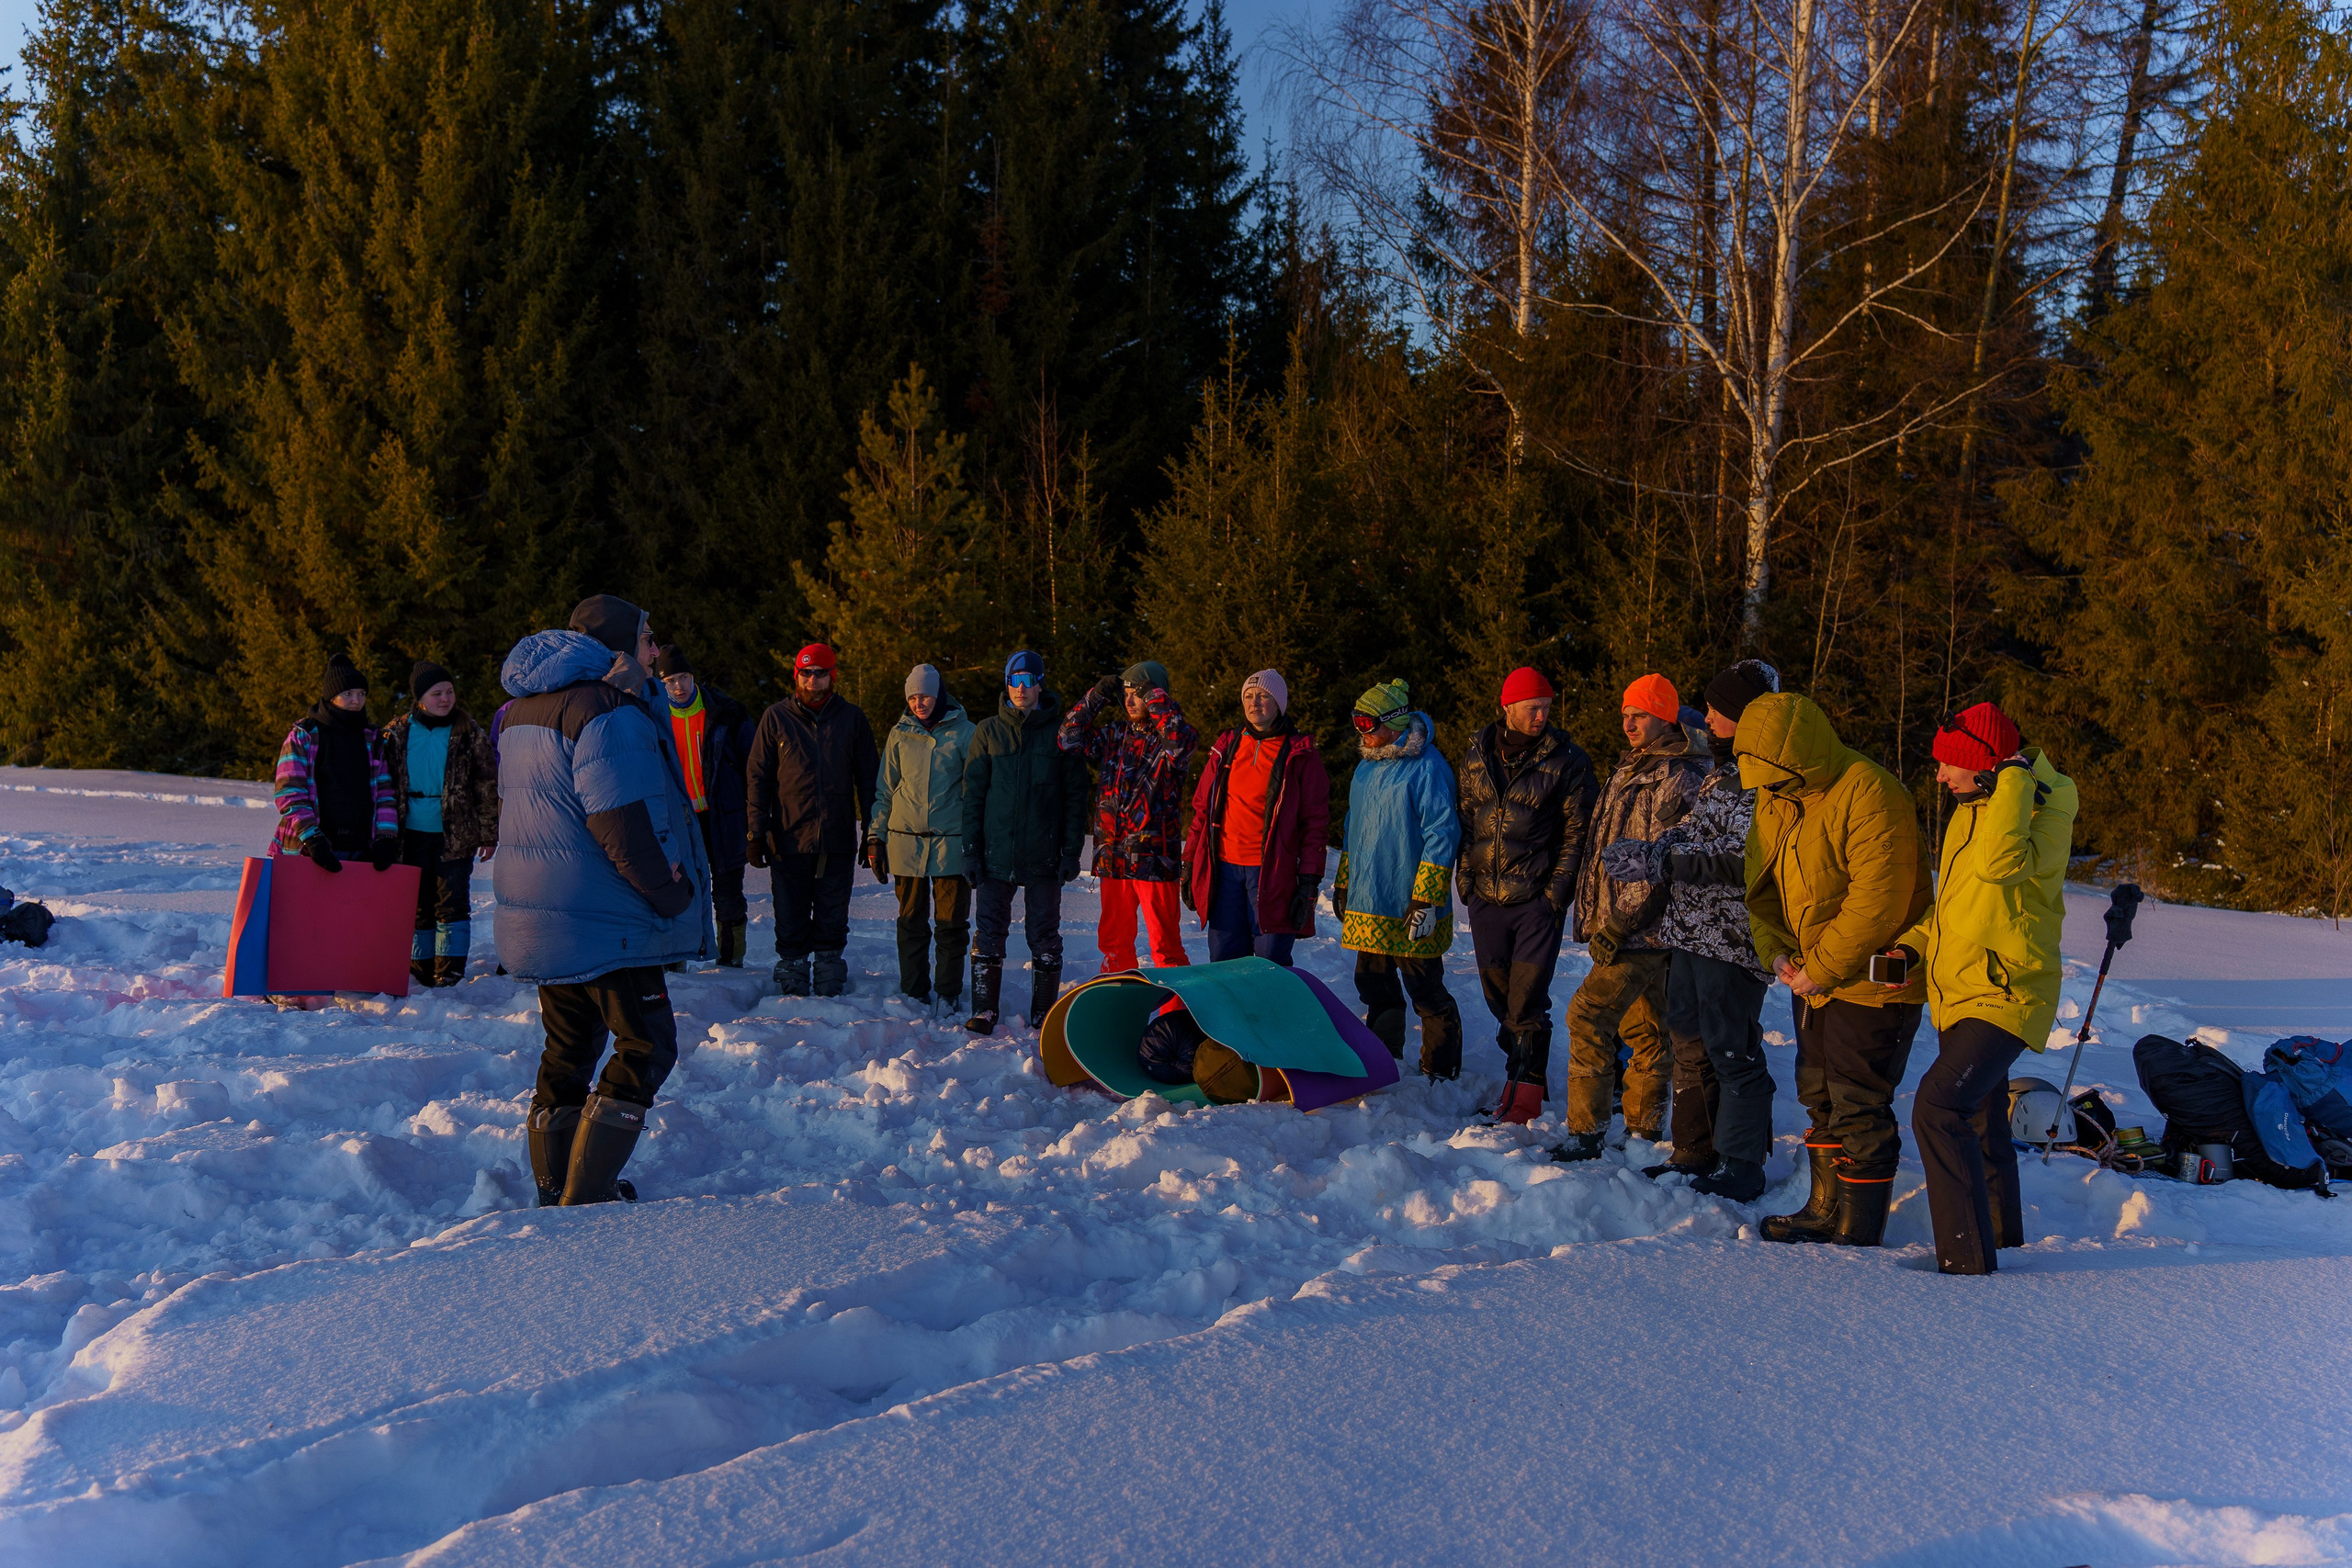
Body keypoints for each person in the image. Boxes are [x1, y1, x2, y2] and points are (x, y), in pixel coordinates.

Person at [494, 624, 712, 1207]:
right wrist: (668, 893)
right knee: (646, 1044)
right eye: (645, 636)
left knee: (568, 1047)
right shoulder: (602, 708)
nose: (654, 648)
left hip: (545, 909)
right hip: (607, 915)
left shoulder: (522, 709)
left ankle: (556, 1185)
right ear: (617, 643)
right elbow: (619, 817)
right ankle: (585, 1194)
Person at [1889, 702, 2077, 1274]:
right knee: (1979, 1121)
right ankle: (2001, 1246)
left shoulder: (2042, 810)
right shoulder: (1973, 807)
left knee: (1939, 1107)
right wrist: (1913, 946)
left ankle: (1966, 1261)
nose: (1940, 776)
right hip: (1962, 991)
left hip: (2007, 990)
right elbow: (1958, 904)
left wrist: (2015, 776)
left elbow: (1999, 865)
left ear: (1986, 766)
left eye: (1949, 764)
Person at [1739, 690, 1930, 1247]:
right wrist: (1775, 951)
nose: (1766, 787)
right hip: (1813, 976)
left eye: (1772, 774)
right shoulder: (1776, 796)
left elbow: (1880, 899)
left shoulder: (1871, 791)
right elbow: (1761, 882)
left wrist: (1822, 967)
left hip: (1873, 980)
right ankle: (1825, 1208)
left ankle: (1858, 1231)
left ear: (1796, 758)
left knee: (1858, 1100)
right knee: (1818, 1094)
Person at [1600, 660, 1779, 1198]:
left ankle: (1741, 1164)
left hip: (1734, 938)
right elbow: (1693, 832)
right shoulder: (1723, 776)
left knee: (1732, 1050)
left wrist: (1665, 864)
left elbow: (1740, 860)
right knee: (1690, 1046)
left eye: (1722, 711)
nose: (1711, 718)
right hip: (1689, 933)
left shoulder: (1767, 781)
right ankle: (1695, 1152)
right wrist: (1652, 849)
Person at [1553, 674, 1709, 1160]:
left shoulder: (1677, 775)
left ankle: (1587, 1131)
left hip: (1644, 929)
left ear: (1664, 716)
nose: (1628, 723)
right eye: (1624, 714)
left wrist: (1621, 923)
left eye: (1638, 714)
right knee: (1645, 1029)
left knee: (1588, 1017)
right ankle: (1642, 1129)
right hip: (1634, 925)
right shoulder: (1637, 766)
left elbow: (1664, 860)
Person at [1454, 667, 1598, 1125]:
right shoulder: (1477, 754)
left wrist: (1555, 894)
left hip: (1536, 902)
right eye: (1532, 707)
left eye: (1546, 707)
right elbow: (1464, 820)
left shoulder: (1567, 759)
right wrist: (1466, 880)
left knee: (1527, 1001)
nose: (1541, 715)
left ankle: (1525, 1098)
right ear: (1508, 708)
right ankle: (1518, 1083)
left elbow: (1579, 833)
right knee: (1501, 1001)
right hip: (1486, 901)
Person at [1334, 679, 1464, 1076]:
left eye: (1367, 723)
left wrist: (1426, 897)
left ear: (1394, 722)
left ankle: (1440, 1070)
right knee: (1374, 984)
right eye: (1356, 723)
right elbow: (1353, 826)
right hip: (1370, 899)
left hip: (1410, 899)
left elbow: (1442, 833)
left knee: (1424, 986)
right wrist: (1344, 881)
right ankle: (1383, 1055)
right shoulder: (1365, 768)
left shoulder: (1428, 767)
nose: (1361, 733)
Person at [962, 649, 1090, 1034]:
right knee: (988, 933)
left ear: (1040, 683)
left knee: (1045, 935)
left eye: (1028, 680)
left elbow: (1074, 796)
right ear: (1007, 684)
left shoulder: (1060, 733)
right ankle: (985, 1010)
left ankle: (1043, 1014)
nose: (1021, 688)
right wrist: (971, 850)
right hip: (995, 853)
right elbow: (973, 795)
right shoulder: (988, 731)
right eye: (1014, 680)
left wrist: (1070, 851)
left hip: (1044, 855)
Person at [746, 644, 880, 998]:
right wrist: (755, 832)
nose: (812, 679)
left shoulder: (851, 719)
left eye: (820, 672)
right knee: (789, 908)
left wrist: (872, 832)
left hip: (836, 835)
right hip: (788, 836)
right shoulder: (776, 718)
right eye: (806, 672)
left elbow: (869, 780)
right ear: (797, 676)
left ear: (832, 676)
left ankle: (829, 964)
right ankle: (791, 964)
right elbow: (757, 777)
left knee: (832, 908)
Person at [1058, 659, 1198, 971]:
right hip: (1113, 857)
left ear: (1156, 696)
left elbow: (1176, 744)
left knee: (1166, 947)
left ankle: (1176, 1013)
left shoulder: (1176, 737)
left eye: (1139, 693)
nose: (1129, 700)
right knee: (1113, 945)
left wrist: (1156, 698)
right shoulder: (1114, 735)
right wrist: (1096, 697)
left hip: (1154, 860)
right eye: (1126, 693)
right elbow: (1067, 737)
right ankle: (1119, 1007)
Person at [1183, 669, 1329, 966]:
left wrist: (1309, 882)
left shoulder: (1300, 754)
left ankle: (1271, 1014)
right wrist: (1189, 863)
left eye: (1263, 696)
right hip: (1224, 872)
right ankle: (1231, 1015)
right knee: (1224, 960)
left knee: (1270, 962)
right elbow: (1202, 808)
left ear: (1279, 703)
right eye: (1248, 696)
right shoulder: (1227, 746)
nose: (1254, 703)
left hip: (1274, 874)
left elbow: (1315, 823)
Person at [383, 660, 500, 987]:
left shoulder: (469, 733)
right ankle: (419, 970)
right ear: (420, 697)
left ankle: (449, 971)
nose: (445, 699)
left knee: (452, 904)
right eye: (437, 693)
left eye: (449, 691)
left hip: (456, 834)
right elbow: (384, 785)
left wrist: (489, 833)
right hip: (410, 834)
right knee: (418, 905)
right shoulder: (397, 733)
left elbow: (487, 786)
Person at [868, 663, 977, 1014]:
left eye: (925, 695)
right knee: (911, 921)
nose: (919, 703)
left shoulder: (966, 733)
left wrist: (977, 842)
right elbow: (885, 790)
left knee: (951, 925)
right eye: (913, 697)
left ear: (939, 694)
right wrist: (875, 838)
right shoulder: (899, 734)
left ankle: (947, 993)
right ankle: (913, 992)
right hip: (905, 842)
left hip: (951, 844)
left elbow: (976, 793)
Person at [654, 645, 755, 967]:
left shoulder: (726, 712)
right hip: (679, 821)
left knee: (727, 892)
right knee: (679, 891)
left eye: (683, 677)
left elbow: (752, 767)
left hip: (723, 816)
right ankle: (677, 959)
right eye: (670, 680)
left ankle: (731, 960)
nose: (678, 686)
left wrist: (754, 813)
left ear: (693, 676)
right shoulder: (653, 717)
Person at [272, 655, 401, 874]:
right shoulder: (304, 736)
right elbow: (289, 793)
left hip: (362, 851)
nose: (356, 700)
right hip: (310, 849)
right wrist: (312, 838)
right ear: (331, 697)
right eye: (348, 694)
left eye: (361, 694)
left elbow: (385, 794)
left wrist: (386, 837)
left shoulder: (372, 739)